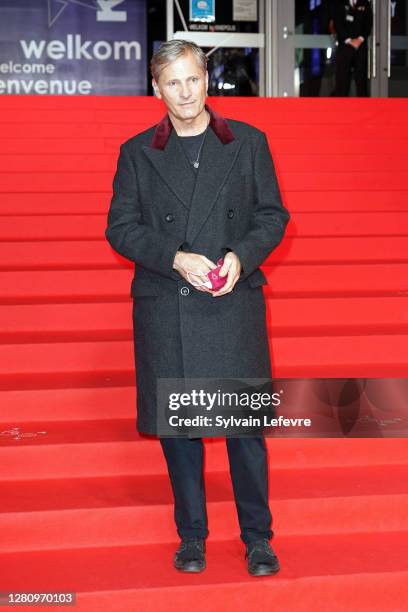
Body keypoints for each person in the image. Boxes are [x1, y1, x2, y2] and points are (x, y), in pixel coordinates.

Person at [105, 40, 290, 576]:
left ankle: (258, 537)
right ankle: (192, 537)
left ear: (207, 79)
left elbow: (272, 216)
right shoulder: (137, 152)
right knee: (181, 433)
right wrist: (174, 257)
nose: (185, 93)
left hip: (232, 302)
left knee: (243, 433)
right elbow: (120, 227)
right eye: (173, 83)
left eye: (193, 79)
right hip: (168, 303)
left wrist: (240, 256)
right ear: (156, 88)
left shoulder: (249, 143)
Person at [332, 0, 373, 96]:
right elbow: (337, 22)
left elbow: (368, 22)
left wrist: (360, 39)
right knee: (342, 79)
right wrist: (348, 40)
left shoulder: (365, 3)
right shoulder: (339, 3)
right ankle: (340, 108)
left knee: (361, 79)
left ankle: (363, 108)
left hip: (360, 46)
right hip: (344, 46)